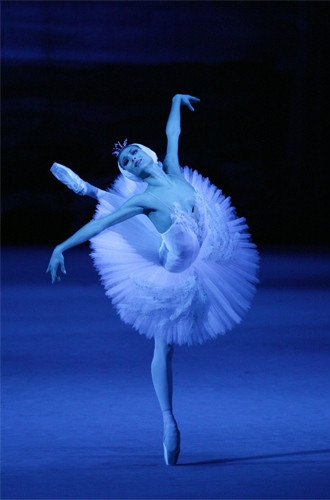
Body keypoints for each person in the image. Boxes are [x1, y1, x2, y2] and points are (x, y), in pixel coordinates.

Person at [47, 94, 260, 466]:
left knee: (140, 226)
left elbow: (172, 133)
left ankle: (90, 189)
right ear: (130, 172)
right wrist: (61, 246)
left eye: (132, 152)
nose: (130, 158)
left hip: (201, 256)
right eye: (125, 161)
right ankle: (168, 422)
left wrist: (176, 100)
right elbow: (100, 224)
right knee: (163, 348)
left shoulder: (175, 172)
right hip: (169, 270)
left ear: (149, 155)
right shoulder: (142, 199)